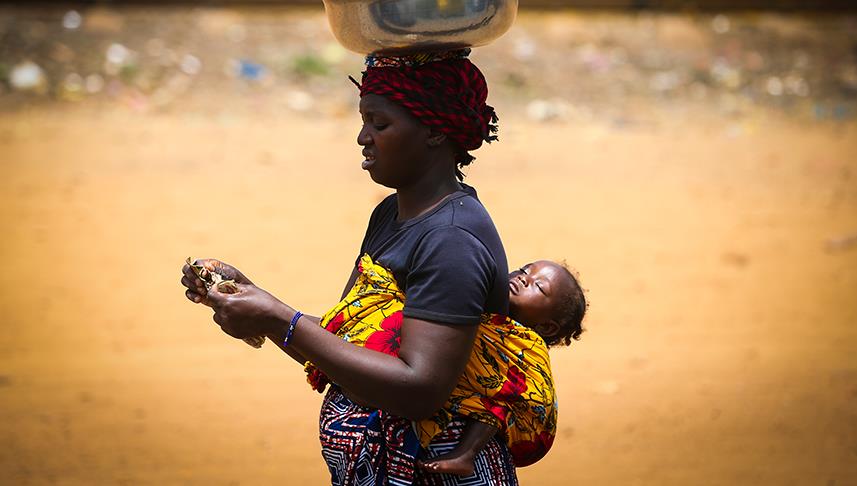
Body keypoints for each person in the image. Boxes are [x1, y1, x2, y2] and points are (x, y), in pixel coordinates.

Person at [181, 49, 523, 485]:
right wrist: (250, 299)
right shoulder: (391, 215)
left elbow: (419, 388)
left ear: (435, 130)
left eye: (380, 124)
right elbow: (343, 348)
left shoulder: (451, 240)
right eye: (364, 121)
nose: (363, 137)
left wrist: (277, 317)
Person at [418, 260, 587, 477]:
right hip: (485, 401)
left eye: (539, 286)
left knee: (501, 400)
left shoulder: (527, 345)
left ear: (545, 326)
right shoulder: (488, 316)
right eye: (524, 270)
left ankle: (465, 455)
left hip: (527, 419)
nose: (524, 278)